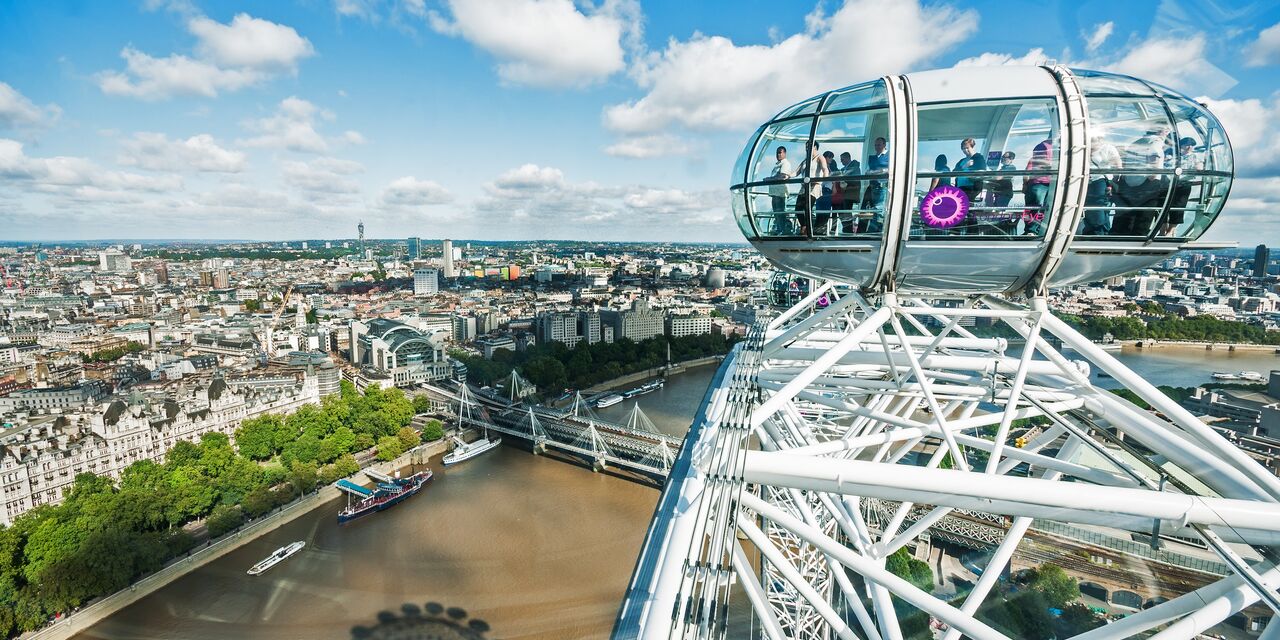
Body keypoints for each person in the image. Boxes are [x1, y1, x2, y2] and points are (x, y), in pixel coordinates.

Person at [1111, 151, 1168, 236]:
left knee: (1125, 218)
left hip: (1129, 183)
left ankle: (1119, 238)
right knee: (1142, 218)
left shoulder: (1135, 145)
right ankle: (1137, 239)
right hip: (1146, 184)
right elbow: (1153, 172)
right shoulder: (1154, 145)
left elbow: (1124, 165)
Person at [1081, 135, 1120, 235]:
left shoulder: (1107, 148)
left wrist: (1113, 183)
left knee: (1098, 206)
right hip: (1084, 181)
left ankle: (1098, 233)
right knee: (1093, 207)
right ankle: (1100, 233)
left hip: (1100, 181)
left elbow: (1117, 166)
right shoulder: (1083, 148)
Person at [1164, 137, 1202, 236]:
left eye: (1192, 145)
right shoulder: (1173, 155)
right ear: (1181, 146)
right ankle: (1163, 230)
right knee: (1164, 205)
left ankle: (1170, 230)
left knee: (1179, 206)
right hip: (1169, 183)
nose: (1189, 147)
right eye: (1187, 145)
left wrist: (1197, 167)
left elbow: (1199, 168)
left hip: (1184, 184)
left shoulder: (1195, 157)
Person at [794, 141, 829, 235]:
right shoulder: (805, 160)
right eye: (806, 147)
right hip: (804, 187)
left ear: (815, 147)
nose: (806, 149)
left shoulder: (819, 157)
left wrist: (824, 178)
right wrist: (786, 176)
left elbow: (825, 168)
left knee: (807, 207)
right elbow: (795, 172)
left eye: (809, 146)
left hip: (814, 187)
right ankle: (804, 227)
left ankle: (807, 229)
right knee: (798, 208)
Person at [953, 138, 987, 232]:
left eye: (967, 148)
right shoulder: (962, 161)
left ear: (972, 147)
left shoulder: (978, 158)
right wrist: (965, 166)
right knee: (967, 210)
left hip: (971, 187)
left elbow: (982, 171)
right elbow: (954, 172)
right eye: (963, 149)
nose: (965, 150)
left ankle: (957, 232)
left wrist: (970, 172)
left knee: (960, 208)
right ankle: (972, 232)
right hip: (960, 188)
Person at [1022, 139, 1054, 235]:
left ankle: (1036, 230)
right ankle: (1031, 230)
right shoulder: (1043, 146)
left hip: (1050, 183)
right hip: (1039, 182)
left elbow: (1027, 170)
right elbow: (1034, 165)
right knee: (1036, 206)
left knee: (1042, 208)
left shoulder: (1056, 147)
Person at [861, 137, 889, 233]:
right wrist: (877, 172)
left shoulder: (890, 156)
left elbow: (890, 170)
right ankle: (873, 231)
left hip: (882, 187)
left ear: (884, 145)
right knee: (875, 209)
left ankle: (875, 231)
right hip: (873, 187)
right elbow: (866, 172)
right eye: (876, 145)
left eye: (879, 145)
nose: (877, 147)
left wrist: (875, 172)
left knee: (879, 209)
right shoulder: (872, 158)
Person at [987, 151, 1017, 234]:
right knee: (998, 211)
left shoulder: (1011, 167)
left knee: (1000, 212)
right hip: (1000, 193)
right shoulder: (1003, 168)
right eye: (1002, 157)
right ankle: (1003, 228)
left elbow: (998, 178)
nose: (1003, 159)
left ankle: (1004, 229)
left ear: (1011, 159)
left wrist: (989, 176)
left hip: (1005, 193)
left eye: (1005, 157)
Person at [833, 151, 862, 234]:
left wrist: (843, 180)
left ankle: (848, 229)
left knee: (846, 211)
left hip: (849, 194)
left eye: (842, 159)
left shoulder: (855, 167)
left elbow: (854, 180)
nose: (841, 161)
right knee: (842, 211)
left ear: (848, 158)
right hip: (844, 194)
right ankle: (846, 228)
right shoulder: (843, 169)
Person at [767, 146, 793, 214]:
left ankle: (782, 225)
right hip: (775, 194)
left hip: (780, 194)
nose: (778, 154)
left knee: (780, 215)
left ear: (784, 153)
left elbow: (783, 176)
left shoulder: (785, 163)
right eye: (777, 153)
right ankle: (780, 225)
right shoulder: (778, 164)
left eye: (780, 153)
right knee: (776, 215)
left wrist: (769, 179)